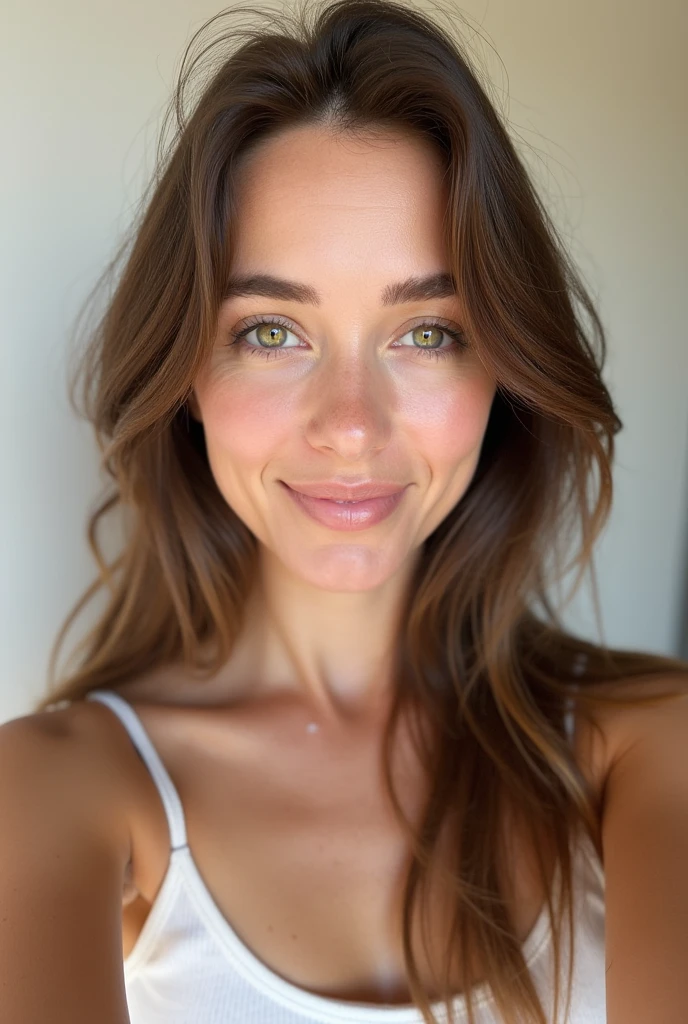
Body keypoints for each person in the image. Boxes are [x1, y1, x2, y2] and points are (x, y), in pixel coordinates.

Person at [2, 1, 687, 1022]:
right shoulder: (58, 794)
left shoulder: (650, 744)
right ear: (187, 371)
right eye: (273, 331)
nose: (352, 425)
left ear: (504, 368)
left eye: (429, 332)